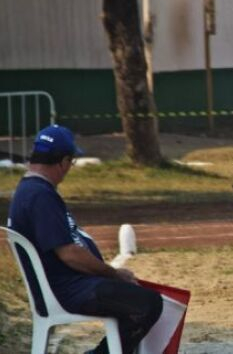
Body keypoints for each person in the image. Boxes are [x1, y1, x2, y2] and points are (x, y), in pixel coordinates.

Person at [7, 125, 162, 354]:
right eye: (71, 162)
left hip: (65, 286)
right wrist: (113, 272)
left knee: (135, 298)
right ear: (63, 161)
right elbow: (69, 254)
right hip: (67, 291)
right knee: (147, 303)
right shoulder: (40, 196)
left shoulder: (32, 190)